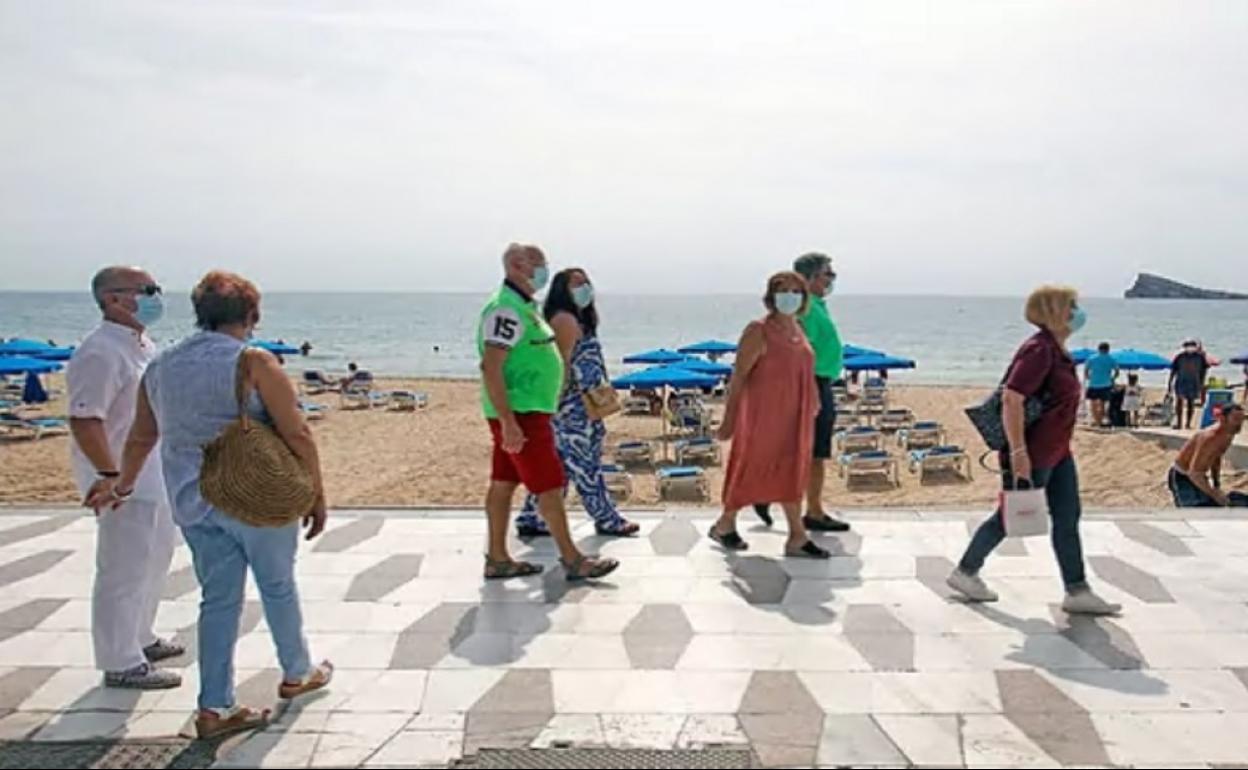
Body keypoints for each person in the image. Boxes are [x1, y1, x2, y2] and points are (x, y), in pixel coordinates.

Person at [87, 271, 333, 740]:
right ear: (251, 315)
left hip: (193, 501)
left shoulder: (160, 366)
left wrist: (121, 485)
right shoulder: (254, 361)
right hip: (258, 496)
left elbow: (142, 437)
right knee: (277, 585)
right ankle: (298, 672)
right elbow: (298, 431)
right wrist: (316, 492)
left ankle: (215, 706)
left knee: (218, 601)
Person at [947, 285, 1121, 616]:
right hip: (1033, 451)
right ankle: (965, 571)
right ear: (1054, 310)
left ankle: (1077, 589)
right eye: (1071, 306)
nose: (1076, 311)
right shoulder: (1038, 350)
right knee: (1010, 516)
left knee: (1068, 517)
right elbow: (1012, 398)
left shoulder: (1056, 349)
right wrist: (1018, 453)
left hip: (1057, 450)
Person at [69, 266, 182, 690]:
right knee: (123, 568)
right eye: (147, 290)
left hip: (153, 472)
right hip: (120, 477)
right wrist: (108, 474)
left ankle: (142, 636)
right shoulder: (100, 351)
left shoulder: (141, 345)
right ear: (114, 299)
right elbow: (85, 419)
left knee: (155, 558)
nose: (156, 297)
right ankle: (119, 659)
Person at [478, 244, 619, 581]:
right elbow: (491, 366)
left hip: (529, 409)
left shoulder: (525, 307)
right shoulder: (506, 310)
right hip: (522, 412)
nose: (542, 269)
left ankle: (497, 557)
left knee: (503, 483)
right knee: (549, 486)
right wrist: (509, 421)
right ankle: (572, 559)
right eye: (536, 263)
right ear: (515, 265)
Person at [710, 271, 830, 559]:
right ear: (771, 296)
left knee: (792, 471)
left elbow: (804, 371)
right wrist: (729, 420)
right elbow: (738, 377)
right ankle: (726, 523)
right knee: (752, 466)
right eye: (783, 290)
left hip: (796, 415)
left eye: (796, 291)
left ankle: (795, 536)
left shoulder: (798, 329)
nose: (789, 296)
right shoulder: (758, 330)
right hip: (764, 415)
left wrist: (813, 401)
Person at [516, 269, 639, 538]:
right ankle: (607, 519)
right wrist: (554, 405)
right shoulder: (565, 320)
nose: (585, 287)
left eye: (586, 282)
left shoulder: (577, 319)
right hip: (572, 408)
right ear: (563, 290)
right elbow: (560, 366)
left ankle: (532, 516)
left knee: (559, 467)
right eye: (577, 284)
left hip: (582, 405)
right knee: (587, 466)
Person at [753, 252, 851, 533]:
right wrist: (810, 389)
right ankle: (814, 511)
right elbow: (797, 352)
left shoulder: (817, 305)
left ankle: (767, 495)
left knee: (806, 450)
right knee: (814, 452)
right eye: (827, 275)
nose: (832, 280)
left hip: (821, 381)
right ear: (808, 278)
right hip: (813, 382)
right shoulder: (805, 310)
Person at [1168, 403, 1248, 507]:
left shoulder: (1228, 433)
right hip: (1182, 477)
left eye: (1241, 420)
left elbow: (1216, 457)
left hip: (1198, 477)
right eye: (1236, 419)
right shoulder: (1209, 438)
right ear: (1223, 419)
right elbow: (1194, 473)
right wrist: (1215, 495)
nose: (1239, 424)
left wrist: (1216, 484)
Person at [1171, 340, 1209, 430]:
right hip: (1181, 381)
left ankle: (1188, 423)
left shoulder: (1200, 358)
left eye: (1192, 346)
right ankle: (1179, 423)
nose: (1190, 348)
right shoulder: (1180, 357)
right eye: (1188, 346)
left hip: (1194, 382)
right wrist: (1170, 382)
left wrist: (1201, 382)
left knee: (1190, 403)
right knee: (1179, 402)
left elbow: (1204, 370)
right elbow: (1174, 370)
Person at [1083, 342, 1118, 427]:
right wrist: (1112, 378)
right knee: (1102, 404)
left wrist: (1088, 377)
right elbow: (1117, 371)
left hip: (1093, 383)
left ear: (1098, 349)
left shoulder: (1092, 358)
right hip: (1106, 384)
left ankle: (1097, 421)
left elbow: (1086, 370)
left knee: (1093, 404)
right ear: (1108, 349)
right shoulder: (1111, 359)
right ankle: (1100, 421)